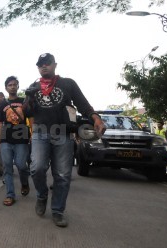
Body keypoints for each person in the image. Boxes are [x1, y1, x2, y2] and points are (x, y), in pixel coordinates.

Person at [25, 53, 106, 227]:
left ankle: (57, 210)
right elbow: (27, 113)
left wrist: (96, 118)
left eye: (47, 63)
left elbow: (83, 104)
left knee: (62, 174)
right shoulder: (33, 86)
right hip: (40, 132)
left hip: (64, 133)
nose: (44, 66)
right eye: (40, 64)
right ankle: (41, 195)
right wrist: (29, 99)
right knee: (37, 168)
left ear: (55, 64)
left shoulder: (68, 83)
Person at [0, 76, 31, 206]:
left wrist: (33, 134)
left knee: (21, 165)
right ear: (6, 87)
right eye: (10, 85)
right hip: (6, 139)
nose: (12, 86)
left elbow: (31, 118)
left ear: (17, 86)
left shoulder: (24, 102)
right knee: (7, 167)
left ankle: (24, 183)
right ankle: (10, 195)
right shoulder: (2, 104)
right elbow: (0, 123)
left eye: (14, 84)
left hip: (22, 139)